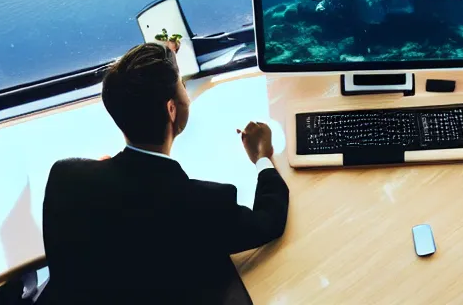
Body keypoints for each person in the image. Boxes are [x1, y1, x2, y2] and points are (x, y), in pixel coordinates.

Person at [39, 43, 289, 304]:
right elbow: (268, 221)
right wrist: (262, 157)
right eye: (182, 85)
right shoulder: (204, 206)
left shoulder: (65, 177)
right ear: (171, 109)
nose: (187, 95)